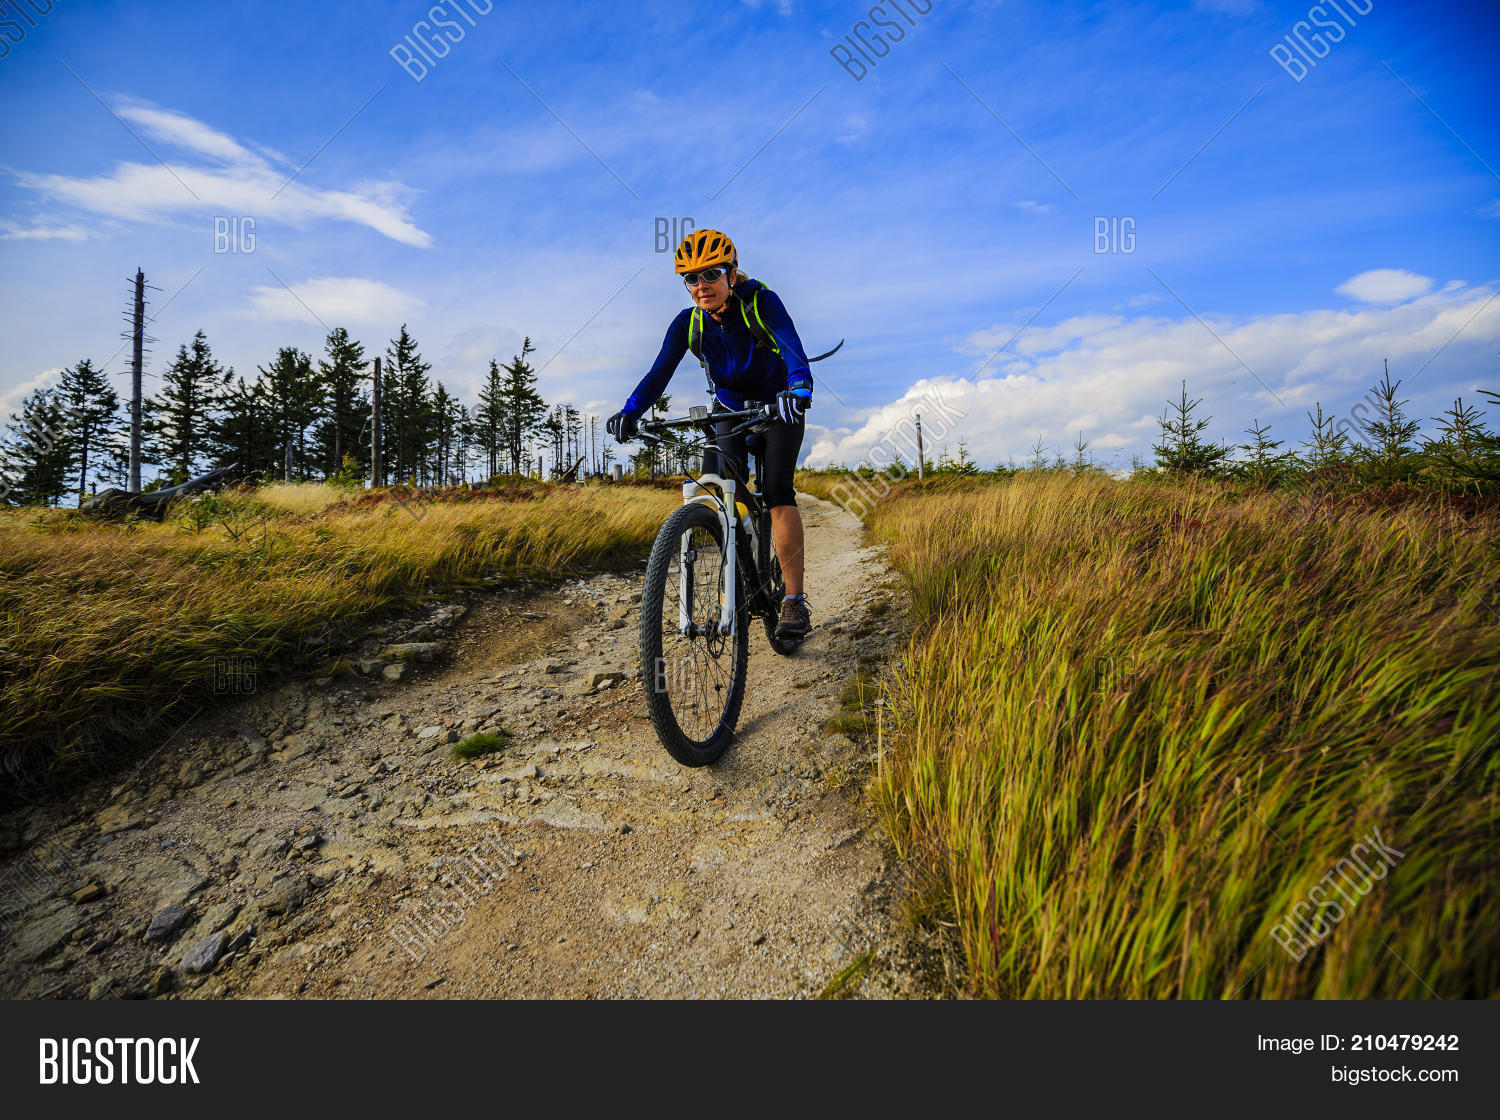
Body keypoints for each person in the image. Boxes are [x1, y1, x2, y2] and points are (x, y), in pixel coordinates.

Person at [607, 229, 814, 639]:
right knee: (716, 489)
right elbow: (657, 374)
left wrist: (799, 389)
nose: (701, 285)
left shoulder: (761, 302)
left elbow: (792, 348)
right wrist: (630, 412)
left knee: (777, 492)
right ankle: (738, 566)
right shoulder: (688, 324)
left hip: (778, 406)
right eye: (691, 278)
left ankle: (793, 600)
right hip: (731, 409)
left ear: (731, 274)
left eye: (711, 274)